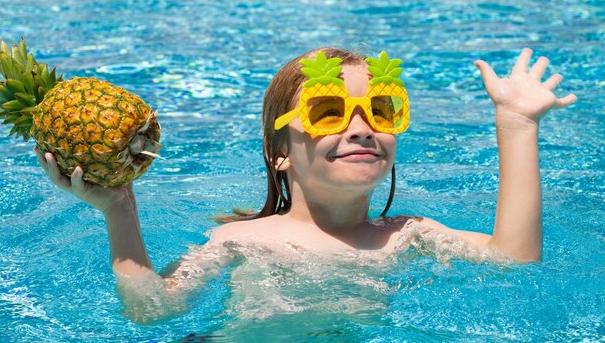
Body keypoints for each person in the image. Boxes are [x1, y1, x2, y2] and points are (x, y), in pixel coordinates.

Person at [34, 47, 577, 324]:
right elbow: (153, 311)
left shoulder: (409, 235)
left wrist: (517, 124)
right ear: (280, 156)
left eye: (380, 110)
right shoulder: (242, 242)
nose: (360, 126)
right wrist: (119, 211)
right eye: (327, 112)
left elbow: (515, 262)